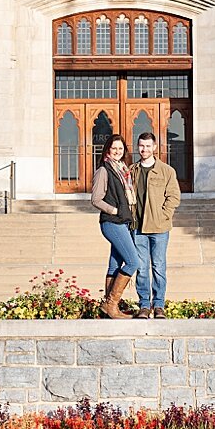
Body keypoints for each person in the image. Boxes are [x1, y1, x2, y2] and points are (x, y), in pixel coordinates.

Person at [130, 130, 180, 318]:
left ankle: (158, 305)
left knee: (158, 266)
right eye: (141, 146)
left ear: (155, 147)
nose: (144, 149)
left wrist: (164, 215)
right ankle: (144, 305)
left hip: (159, 228)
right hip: (138, 228)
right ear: (138, 147)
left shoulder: (166, 171)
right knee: (141, 268)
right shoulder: (132, 170)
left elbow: (174, 196)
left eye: (148, 146)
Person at [90, 134, 139, 319]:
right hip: (112, 223)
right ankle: (111, 304)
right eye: (114, 148)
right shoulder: (104, 170)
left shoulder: (122, 170)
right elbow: (95, 199)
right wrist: (114, 210)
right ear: (108, 150)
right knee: (133, 261)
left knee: (115, 264)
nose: (117, 151)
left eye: (120, 148)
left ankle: (107, 307)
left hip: (122, 222)